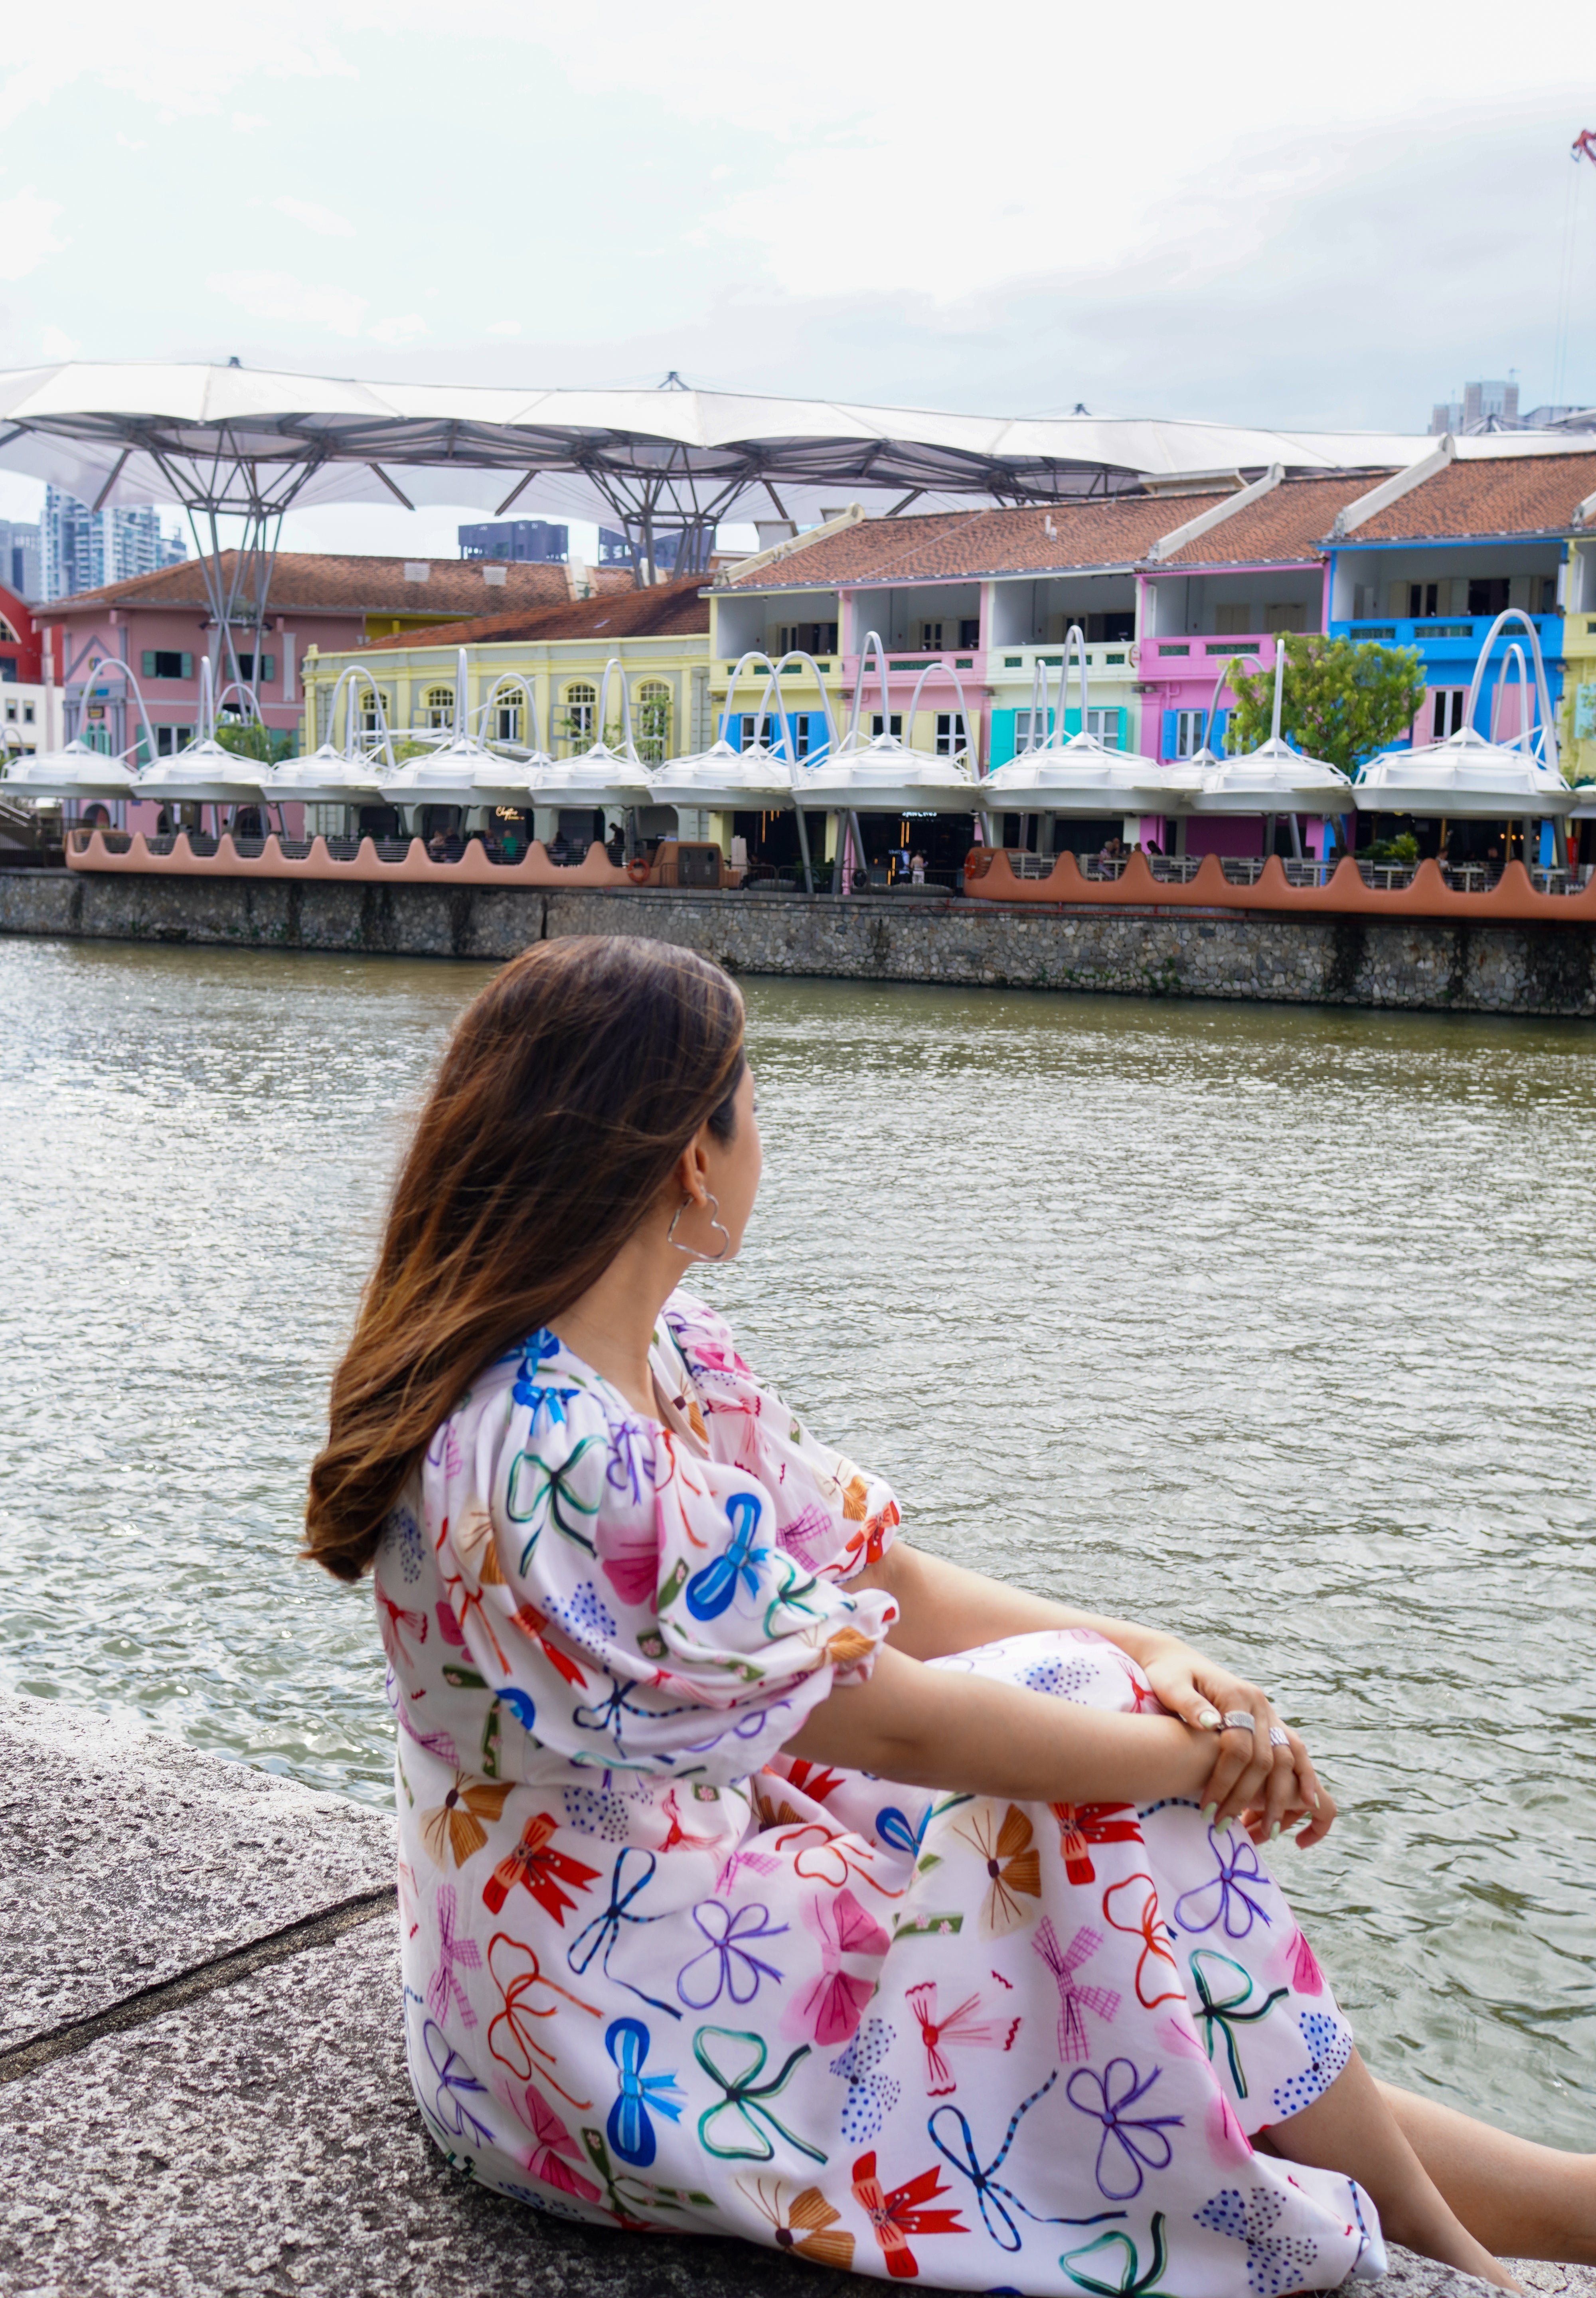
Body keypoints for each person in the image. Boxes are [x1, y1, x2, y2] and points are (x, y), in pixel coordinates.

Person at [306, 939, 1594, 2294]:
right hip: (615, 2041)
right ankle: (1464, 2246)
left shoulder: (641, 1362)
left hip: (587, 1952)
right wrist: (1197, 1758)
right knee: (1098, 1795)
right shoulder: (564, 1448)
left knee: (1105, 1841)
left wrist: (1158, 1654)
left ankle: (1527, 2217)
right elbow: (905, 1727)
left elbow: (890, 1585)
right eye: (755, 1109)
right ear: (696, 1151)